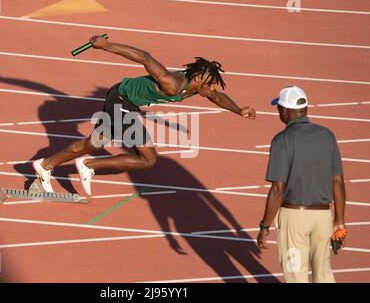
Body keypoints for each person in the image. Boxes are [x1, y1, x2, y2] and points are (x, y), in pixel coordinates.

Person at [33, 35, 256, 195]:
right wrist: (106, 46)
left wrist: (238, 110)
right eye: (209, 85)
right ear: (198, 79)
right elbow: (145, 57)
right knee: (148, 159)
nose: (211, 89)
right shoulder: (173, 84)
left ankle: (45, 166)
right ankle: (89, 165)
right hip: (122, 99)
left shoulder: (198, 89)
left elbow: (217, 98)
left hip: (125, 100)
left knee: (93, 143)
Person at [256, 86, 347, 283]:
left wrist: (264, 227)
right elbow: (338, 182)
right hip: (323, 217)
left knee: (295, 274)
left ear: (284, 111)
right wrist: (339, 221)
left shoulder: (282, 140)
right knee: (323, 272)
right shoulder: (327, 135)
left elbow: (277, 189)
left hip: (294, 216)